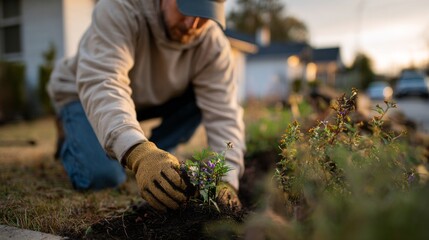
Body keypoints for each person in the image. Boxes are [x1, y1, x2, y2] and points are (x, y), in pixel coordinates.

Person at [47, 0, 245, 212]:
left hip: (146, 99)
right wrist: (138, 152)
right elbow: (103, 82)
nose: (191, 24)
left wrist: (226, 180)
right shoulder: (120, 8)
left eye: (204, 16)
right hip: (85, 95)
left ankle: (155, 154)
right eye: (185, 9)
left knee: (197, 102)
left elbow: (224, 114)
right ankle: (71, 131)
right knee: (103, 176)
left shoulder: (212, 44)